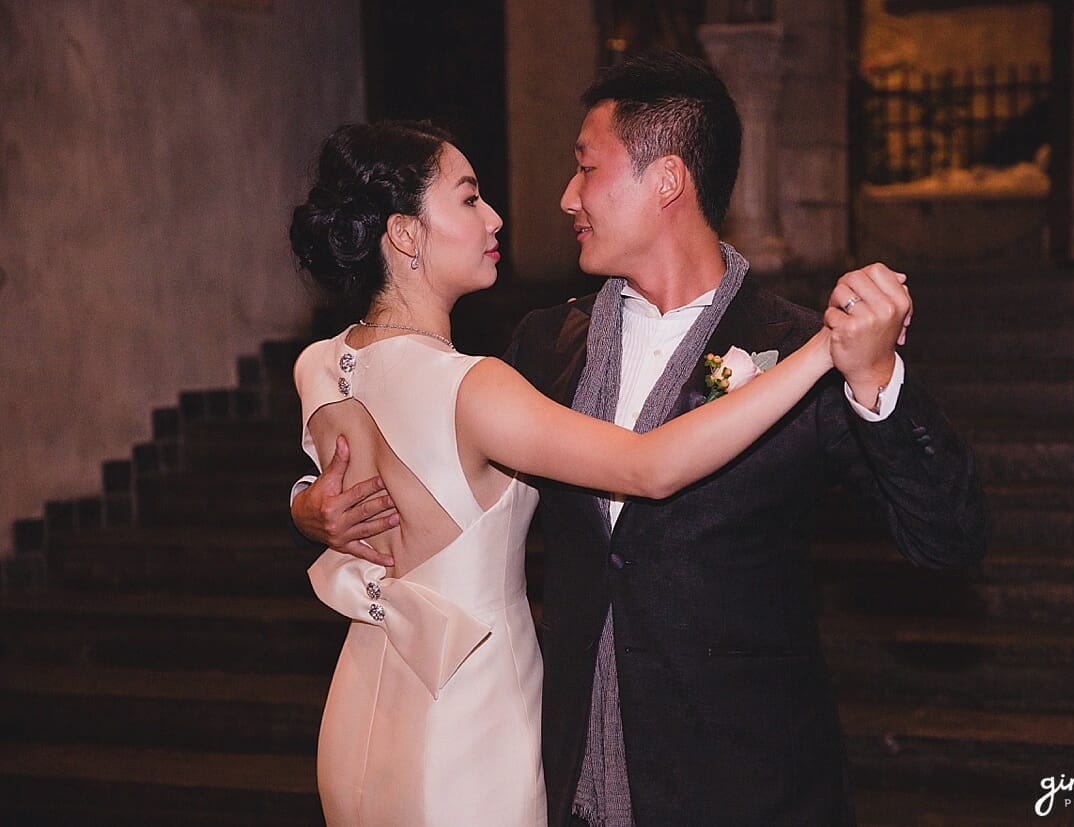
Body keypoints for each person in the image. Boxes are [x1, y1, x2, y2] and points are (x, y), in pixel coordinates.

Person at [294, 52, 986, 826]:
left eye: (585, 168)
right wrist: (311, 504)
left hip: (745, 788)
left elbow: (948, 537)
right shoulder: (540, 343)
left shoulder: (795, 346)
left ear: (665, 182)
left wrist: (877, 379)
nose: (564, 197)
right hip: (560, 781)